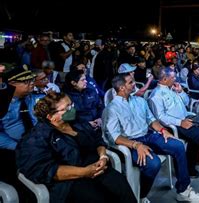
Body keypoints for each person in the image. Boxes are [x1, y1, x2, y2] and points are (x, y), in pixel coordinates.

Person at [16, 92, 136, 203]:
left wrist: (103, 156)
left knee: (122, 187)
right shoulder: (37, 138)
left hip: (97, 168)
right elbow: (46, 170)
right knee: (98, 198)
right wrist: (84, 172)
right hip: (70, 181)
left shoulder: (77, 122)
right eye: (66, 108)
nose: (72, 109)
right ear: (51, 117)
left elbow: (97, 140)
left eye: (71, 104)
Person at [103, 74, 199, 202]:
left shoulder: (139, 101)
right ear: (122, 87)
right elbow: (114, 137)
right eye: (131, 82)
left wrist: (163, 130)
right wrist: (136, 145)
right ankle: (141, 196)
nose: (135, 84)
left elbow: (151, 120)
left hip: (148, 136)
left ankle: (183, 191)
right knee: (153, 163)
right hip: (129, 143)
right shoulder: (112, 108)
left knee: (178, 145)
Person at [149, 67, 199, 178]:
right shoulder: (156, 95)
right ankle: (189, 167)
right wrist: (180, 122)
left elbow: (186, 102)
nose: (175, 79)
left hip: (185, 117)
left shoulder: (172, 89)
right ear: (164, 79)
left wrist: (181, 91)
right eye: (173, 77)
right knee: (197, 134)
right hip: (172, 125)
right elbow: (160, 117)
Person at [0, 65, 37, 196]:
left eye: (32, 80)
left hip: (36, 142)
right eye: (26, 82)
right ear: (11, 84)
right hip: (12, 148)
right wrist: (17, 146)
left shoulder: (34, 98)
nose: (31, 84)